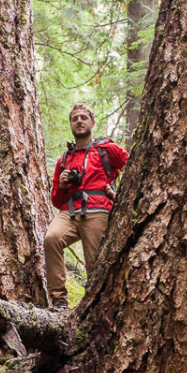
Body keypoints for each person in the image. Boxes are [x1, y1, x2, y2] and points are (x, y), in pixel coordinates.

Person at [45, 103, 128, 309]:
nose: (79, 121)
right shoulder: (65, 159)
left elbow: (133, 167)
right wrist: (62, 185)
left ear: (93, 122)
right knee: (51, 238)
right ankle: (59, 301)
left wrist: (118, 195)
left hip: (98, 209)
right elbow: (56, 200)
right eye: (75, 119)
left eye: (83, 117)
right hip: (71, 211)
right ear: (71, 125)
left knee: (95, 264)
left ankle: (94, 306)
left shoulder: (107, 150)